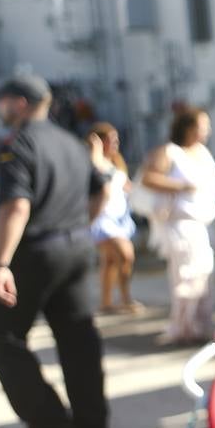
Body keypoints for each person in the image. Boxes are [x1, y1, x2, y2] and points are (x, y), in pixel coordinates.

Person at [0, 74, 110, 428]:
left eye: (4, 100)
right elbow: (101, 189)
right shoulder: (71, 141)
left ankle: (46, 417)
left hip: (36, 251)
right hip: (75, 247)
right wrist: (81, 226)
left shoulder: (18, 144)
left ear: (21, 102)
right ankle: (92, 420)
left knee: (2, 335)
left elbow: (16, 205)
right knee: (78, 333)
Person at [142, 108, 215, 344]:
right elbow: (149, 178)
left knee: (204, 275)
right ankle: (184, 326)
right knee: (187, 275)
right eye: (202, 124)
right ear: (189, 127)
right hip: (180, 223)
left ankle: (201, 322)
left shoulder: (203, 152)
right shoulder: (169, 152)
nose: (207, 130)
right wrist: (181, 187)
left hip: (201, 222)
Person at [87, 122, 140, 313]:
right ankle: (126, 297)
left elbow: (129, 187)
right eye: (110, 139)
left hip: (120, 217)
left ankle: (106, 302)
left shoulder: (117, 164)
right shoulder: (95, 162)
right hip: (102, 218)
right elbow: (97, 171)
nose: (115, 143)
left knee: (110, 261)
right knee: (126, 254)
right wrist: (95, 149)